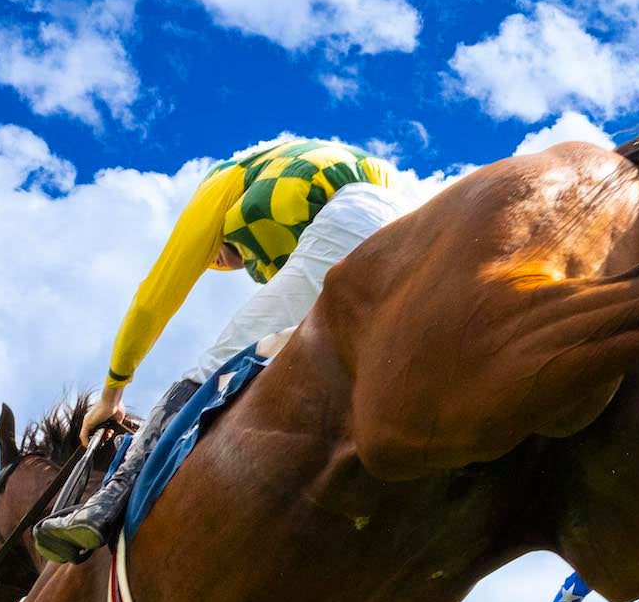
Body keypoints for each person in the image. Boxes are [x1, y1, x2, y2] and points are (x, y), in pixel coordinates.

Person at [35, 140, 414, 563]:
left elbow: (152, 300)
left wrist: (113, 392)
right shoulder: (325, 172)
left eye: (220, 257)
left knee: (216, 365)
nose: (218, 262)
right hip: (410, 234)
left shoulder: (222, 182)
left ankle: (107, 503)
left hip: (356, 220)